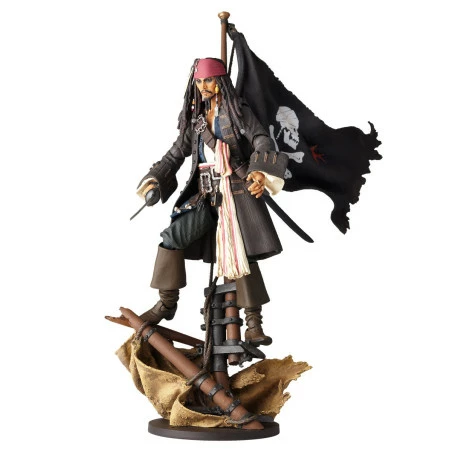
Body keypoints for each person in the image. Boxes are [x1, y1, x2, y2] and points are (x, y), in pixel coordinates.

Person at [131, 58, 289, 345]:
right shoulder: (196, 119)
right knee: (172, 238)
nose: (203, 86)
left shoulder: (238, 112)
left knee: (243, 254)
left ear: (220, 82)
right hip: (203, 194)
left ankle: (253, 322)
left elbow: (261, 140)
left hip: (236, 193)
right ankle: (166, 303)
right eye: (200, 81)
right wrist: (155, 178)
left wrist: (259, 171)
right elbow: (176, 153)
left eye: (209, 80)